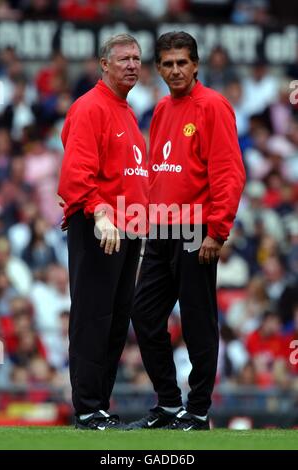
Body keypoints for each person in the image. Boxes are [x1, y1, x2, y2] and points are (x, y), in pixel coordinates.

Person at [128, 32, 245, 431]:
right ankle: (169, 405)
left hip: (197, 229)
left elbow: (229, 172)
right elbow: (159, 174)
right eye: (168, 63)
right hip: (160, 229)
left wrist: (218, 230)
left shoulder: (213, 105)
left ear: (195, 65)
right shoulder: (161, 109)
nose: (175, 70)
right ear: (157, 69)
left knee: (197, 323)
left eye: (182, 62)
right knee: (143, 314)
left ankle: (197, 412)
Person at [57, 34, 148, 430]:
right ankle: (88, 408)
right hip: (101, 226)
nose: (132, 64)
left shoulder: (125, 111)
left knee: (114, 321)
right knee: (93, 318)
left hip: (127, 229)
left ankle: (99, 408)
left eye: (137, 58)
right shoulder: (89, 107)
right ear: (104, 64)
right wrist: (98, 214)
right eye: (124, 58)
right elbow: (76, 173)